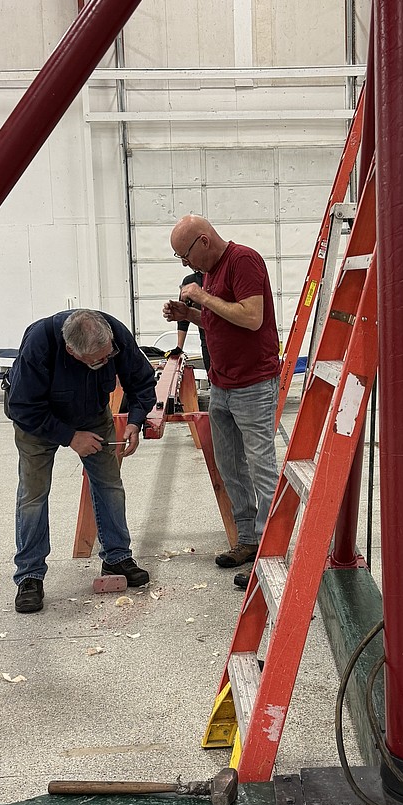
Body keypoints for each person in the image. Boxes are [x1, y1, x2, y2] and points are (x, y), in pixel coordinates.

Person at [8, 308, 156, 612]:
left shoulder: (114, 334)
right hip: (37, 422)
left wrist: (135, 421)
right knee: (33, 496)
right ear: (71, 351)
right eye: (96, 362)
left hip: (92, 415)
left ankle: (117, 558)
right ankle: (30, 575)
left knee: (110, 484)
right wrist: (70, 437)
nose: (104, 362)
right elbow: (22, 406)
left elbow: (142, 382)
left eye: (107, 356)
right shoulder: (40, 343)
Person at [163, 215, 280, 586]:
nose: (186, 265)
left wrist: (200, 296)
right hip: (223, 385)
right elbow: (220, 320)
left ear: (203, 241)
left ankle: (270, 550)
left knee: (261, 467)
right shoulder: (210, 271)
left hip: (253, 384)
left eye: (185, 256)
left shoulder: (244, 260)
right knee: (230, 466)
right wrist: (191, 315)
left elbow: (250, 317)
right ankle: (247, 539)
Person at [168, 269, 210, 376]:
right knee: (212, 377)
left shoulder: (217, 276)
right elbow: (183, 318)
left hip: (226, 341)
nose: (185, 264)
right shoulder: (190, 281)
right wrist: (179, 347)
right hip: (206, 341)